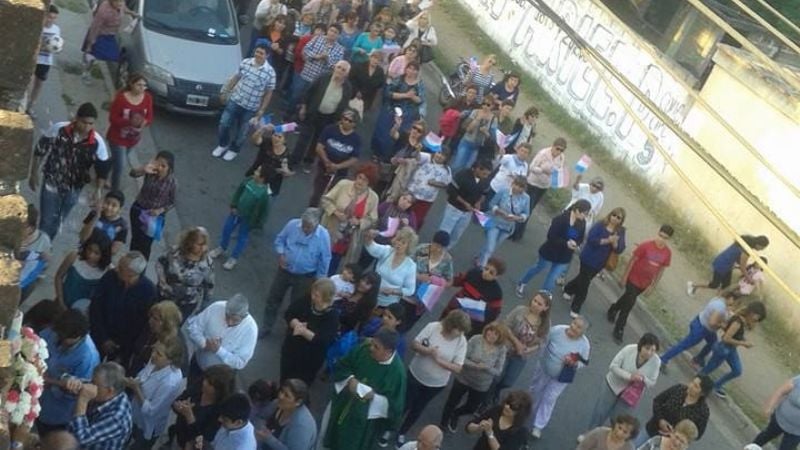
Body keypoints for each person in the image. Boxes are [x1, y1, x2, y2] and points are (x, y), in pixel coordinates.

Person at [29, 102, 110, 240]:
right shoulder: (59, 129)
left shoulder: (97, 142)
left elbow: (103, 168)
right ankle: (39, 250)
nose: (87, 127)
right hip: (52, 182)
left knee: (59, 220)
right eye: (84, 122)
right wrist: (33, 173)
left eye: (91, 124)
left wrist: (98, 190)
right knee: (47, 220)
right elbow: (40, 149)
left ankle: (46, 244)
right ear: (76, 118)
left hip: (74, 188)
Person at [322, 329, 407, 450]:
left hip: (364, 422)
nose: (371, 348)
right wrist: (350, 379)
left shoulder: (397, 374)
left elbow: (395, 407)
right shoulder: (364, 349)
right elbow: (343, 364)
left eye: (376, 347)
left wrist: (374, 397)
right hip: (341, 402)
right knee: (326, 436)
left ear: (388, 351)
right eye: (372, 342)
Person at [395, 311, 469, 446]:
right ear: (450, 325)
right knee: (404, 403)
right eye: (458, 329)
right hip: (416, 374)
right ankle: (390, 428)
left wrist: (438, 360)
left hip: (436, 384)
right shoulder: (433, 327)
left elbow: (458, 367)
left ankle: (402, 432)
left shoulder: (461, 341)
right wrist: (428, 351)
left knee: (417, 408)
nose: (460, 333)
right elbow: (415, 344)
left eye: (462, 330)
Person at [262, 208, 332, 337]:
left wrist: (320, 280)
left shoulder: (323, 236)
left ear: (317, 224)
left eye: (308, 227)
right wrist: (281, 253)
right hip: (285, 270)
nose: (305, 229)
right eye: (304, 225)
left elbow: (325, 259)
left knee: (297, 305)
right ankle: (266, 326)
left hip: (305, 277)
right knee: (273, 298)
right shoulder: (292, 225)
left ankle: (291, 331)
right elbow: (280, 240)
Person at [37, 310, 101, 436]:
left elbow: (79, 391)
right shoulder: (55, 332)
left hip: (58, 414)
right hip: (39, 401)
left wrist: (50, 381)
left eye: (64, 338)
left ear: (78, 336)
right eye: (58, 334)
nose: (59, 338)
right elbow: (38, 342)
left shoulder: (87, 357)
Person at [607, 225, 674, 343]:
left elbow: (661, 271)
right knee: (629, 304)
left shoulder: (667, 253)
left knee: (627, 299)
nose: (661, 239)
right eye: (660, 236)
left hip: (644, 284)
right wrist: (624, 277)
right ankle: (619, 329)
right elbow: (632, 260)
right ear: (658, 233)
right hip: (633, 279)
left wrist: (652, 286)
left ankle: (614, 308)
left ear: (669, 239)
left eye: (665, 238)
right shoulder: (646, 246)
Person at [529, 316, 591, 439]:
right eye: (574, 323)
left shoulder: (585, 345)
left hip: (562, 376)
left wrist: (574, 363)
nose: (574, 327)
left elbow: (584, 362)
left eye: (579, 327)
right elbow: (544, 343)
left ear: (583, 332)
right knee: (535, 390)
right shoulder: (557, 330)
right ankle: (527, 412)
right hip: (544, 368)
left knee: (549, 398)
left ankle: (538, 425)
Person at [585, 334, 661, 435]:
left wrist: (643, 379)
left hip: (631, 395)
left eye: (653, 350)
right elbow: (613, 366)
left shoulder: (656, 361)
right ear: (641, 345)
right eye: (647, 348)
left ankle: (610, 440)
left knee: (619, 419)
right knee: (600, 412)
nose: (649, 353)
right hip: (613, 385)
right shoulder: (629, 349)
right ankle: (589, 434)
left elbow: (652, 382)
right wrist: (629, 376)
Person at [89, 251, 156, 363]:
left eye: (120, 268)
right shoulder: (110, 277)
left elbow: (142, 326)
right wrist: (104, 338)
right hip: (99, 335)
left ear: (131, 274)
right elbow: (96, 306)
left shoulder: (149, 291)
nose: (116, 269)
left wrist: (124, 349)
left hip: (125, 345)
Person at [213, 44, 276, 161]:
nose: (258, 55)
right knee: (223, 124)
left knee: (242, 132)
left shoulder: (270, 73)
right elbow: (236, 78)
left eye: (261, 53)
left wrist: (262, 109)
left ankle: (234, 149)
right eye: (257, 52)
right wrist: (225, 91)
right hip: (235, 100)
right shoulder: (246, 62)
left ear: (267, 55)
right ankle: (223, 144)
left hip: (251, 107)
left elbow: (269, 93)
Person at [441, 322, 507, 432]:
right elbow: (462, 358)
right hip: (463, 377)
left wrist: (486, 368)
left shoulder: (501, 349)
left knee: (471, 408)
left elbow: (498, 371)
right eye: (490, 330)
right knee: (452, 401)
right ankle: (443, 423)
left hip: (481, 384)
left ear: (500, 338)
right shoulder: (476, 339)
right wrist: (475, 365)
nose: (491, 335)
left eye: (496, 334)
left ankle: (456, 414)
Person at [515, 199, 590, 295]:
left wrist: (576, 243)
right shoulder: (561, 219)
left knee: (553, 277)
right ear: (577, 210)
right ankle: (522, 282)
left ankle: (543, 296)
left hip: (565, 255)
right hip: (550, 251)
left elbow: (580, 237)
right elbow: (551, 236)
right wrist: (566, 243)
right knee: (538, 268)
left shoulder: (582, 223)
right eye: (585, 213)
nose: (585, 216)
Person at [659, 290, 743, 373]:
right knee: (683, 345)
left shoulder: (718, 299)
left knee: (712, 343)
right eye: (735, 303)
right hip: (703, 329)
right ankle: (663, 359)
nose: (734, 306)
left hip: (700, 321)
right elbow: (712, 323)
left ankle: (698, 359)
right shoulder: (721, 308)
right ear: (731, 298)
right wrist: (721, 325)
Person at [291, 61, 354, 170]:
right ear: (334, 67)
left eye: (343, 70)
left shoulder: (348, 88)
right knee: (303, 138)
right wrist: (304, 107)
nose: (340, 71)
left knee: (318, 141)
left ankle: (308, 161)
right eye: (338, 67)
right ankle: (294, 161)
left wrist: (339, 120)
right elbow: (309, 91)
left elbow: (344, 104)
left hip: (329, 118)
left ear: (347, 74)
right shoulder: (323, 77)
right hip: (313, 112)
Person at [563, 208, 627, 316]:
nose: (615, 218)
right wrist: (607, 240)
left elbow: (620, 249)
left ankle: (569, 288)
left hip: (600, 262)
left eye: (618, 217)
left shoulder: (620, 231)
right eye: (614, 215)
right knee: (585, 284)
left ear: (621, 220)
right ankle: (576, 306)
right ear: (610, 214)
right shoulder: (601, 224)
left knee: (583, 278)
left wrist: (615, 243)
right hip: (588, 257)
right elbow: (591, 239)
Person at [208, 164, 271, 271]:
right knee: (227, 229)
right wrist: (233, 205)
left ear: (262, 177)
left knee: (242, 238)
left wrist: (256, 223)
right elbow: (238, 192)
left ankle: (233, 258)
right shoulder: (248, 181)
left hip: (248, 219)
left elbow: (263, 212)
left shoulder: (264, 194)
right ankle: (222, 247)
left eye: (258, 171)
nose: (255, 172)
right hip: (235, 212)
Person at [491, 290, 551, 402]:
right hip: (506, 348)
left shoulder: (545, 323)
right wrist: (516, 343)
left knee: (508, 381)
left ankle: (497, 390)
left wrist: (529, 349)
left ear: (545, 308)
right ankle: (487, 397)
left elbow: (542, 342)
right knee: (496, 375)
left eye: (539, 304)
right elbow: (505, 325)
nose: (535, 304)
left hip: (521, 355)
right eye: (534, 301)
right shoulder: (520, 310)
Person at [699, 300, 766, 397]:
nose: (756, 320)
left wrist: (742, 339)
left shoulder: (743, 322)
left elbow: (732, 332)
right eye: (757, 318)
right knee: (709, 369)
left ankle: (716, 385)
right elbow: (726, 338)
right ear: (752, 313)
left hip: (731, 349)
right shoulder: (738, 322)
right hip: (723, 348)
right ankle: (697, 384)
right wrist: (743, 343)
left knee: (737, 370)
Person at [320, 163, 379, 274]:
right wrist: (335, 212)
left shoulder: (373, 197)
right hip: (331, 228)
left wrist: (359, 222)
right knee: (321, 257)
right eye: (359, 177)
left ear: (370, 183)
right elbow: (325, 200)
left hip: (348, 237)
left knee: (333, 263)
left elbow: (372, 219)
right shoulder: (343, 185)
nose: (360, 181)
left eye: (365, 180)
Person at [125, 340, 184, 450]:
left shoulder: (169, 382)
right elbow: (142, 376)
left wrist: (136, 389)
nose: (153, 355)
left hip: (147, 425)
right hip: (134, 413)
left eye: (159, 354)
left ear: (170, 360)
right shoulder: (155, 362)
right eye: (154, 350)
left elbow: (151, 411)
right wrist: (134, 382)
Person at [186, 294, 258, 382]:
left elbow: (240, 362)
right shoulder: (216, 307)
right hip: (197, 365)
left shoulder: (250, 330)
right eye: (227, 316)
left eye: (235, 320)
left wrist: (219, 351)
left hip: (219, 380)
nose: (229, 322)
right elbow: (194, 327)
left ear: (244, 316)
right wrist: (203, 343)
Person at [281, 278, 340, 385]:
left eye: (317, 296)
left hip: (309, 360)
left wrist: (303, 331)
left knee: (299, 386)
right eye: (313, 293)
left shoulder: (332, 316)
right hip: (290, 350)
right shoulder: (307, 300)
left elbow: (323, 340)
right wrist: (296, 324)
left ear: (326, 298)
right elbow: (289, 313)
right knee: (284, 379)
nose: (313, 297)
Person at [511, 138, 566, 242]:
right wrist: (542, 170)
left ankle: (517, 230)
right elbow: (531, 167)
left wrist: (556, 174)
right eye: (557, 149)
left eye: (561, 150)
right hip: (533, 183)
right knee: (526, 207)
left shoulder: (561, 157)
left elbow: (559, 169)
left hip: (544, 186)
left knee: (530, 209)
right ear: (553, 146)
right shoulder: (543, 154)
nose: (558, 152)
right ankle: (515, 232)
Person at [68, 362, 133, 449]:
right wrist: (72, 382)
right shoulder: (108, 390)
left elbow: (81, 438)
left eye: (94, 384)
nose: (91, 386)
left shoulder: (117, 418)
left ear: (110, 391)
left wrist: (82, 400)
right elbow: (73, 380)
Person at [106, 73, 154, 191]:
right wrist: (128, 122)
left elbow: (149, 116)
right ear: (131, 84)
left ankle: (101, 169)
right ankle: (114, 190)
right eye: (139, 85)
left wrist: (144, 122)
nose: (142, 88)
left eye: (144, 86)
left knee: (116, 160)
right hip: (117, 138)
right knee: (120, 165)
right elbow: (112, 118)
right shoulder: (122, 98)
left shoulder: (147, 98)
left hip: (133, 139)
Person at [399, 231, 454, 331]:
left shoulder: (447, 260)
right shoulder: (421, 249)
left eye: (442, 248)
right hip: (406, 293)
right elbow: (404, 265)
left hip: (423, 300)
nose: (438, 249)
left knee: (406, 326)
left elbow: (449, 281)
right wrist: (419, 276)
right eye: (436, 245)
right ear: (432, 242)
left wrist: (437, 282)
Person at [171, 365, 236, 449]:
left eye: (210, 384)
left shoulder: (219, 411)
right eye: (206, 379)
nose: (204, 383)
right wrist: (178, 406)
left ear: (220, 390)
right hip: (178, 434)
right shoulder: (198, 387)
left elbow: (204, 439)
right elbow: (179, 399)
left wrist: (189, 416)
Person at [156, 226, 215, 318]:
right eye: (200, 244)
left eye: (205, 245)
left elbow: (209, 285)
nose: (203, 248)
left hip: (185, 305)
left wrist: (204, 305)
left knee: (172, 328)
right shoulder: (174, 252)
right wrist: (162, 280)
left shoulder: (207, 263)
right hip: (164, 296)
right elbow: (160, 263)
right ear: (190, 243)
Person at [309, 108, 364, 207]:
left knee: (332, 195)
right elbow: (319, 147)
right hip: (323, 167)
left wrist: (338, 166)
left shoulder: (356, 139)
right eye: (344, 118)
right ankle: (310, 211)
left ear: (354, 124)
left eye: (350, 121)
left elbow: (354, 159)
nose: (346, 122)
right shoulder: (330, 129)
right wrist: (326, 161)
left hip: (340, 172)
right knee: (317, 193)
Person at [128, 151, 177, 260]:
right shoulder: (150, 171)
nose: (159, 168)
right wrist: (143, 169)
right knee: (135, 239)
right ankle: (130, 262)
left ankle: (141, 268)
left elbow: (172, 201)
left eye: (163, 166)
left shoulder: (171, 182)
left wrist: (160, 210)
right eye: (157, 163)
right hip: (139, 209)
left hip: (153, 217)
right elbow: (132, 173)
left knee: (145, 244)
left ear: (169, 168)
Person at [371, 63, 425, 161]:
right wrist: (406, 95)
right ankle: (376, 153)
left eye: (414, 69)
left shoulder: (419, 84)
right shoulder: (399, 79)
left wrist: (412, 97)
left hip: (406, 115)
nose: (411, 71)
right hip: (391, 110)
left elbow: (420, 100)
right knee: (382, 133)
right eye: (410, 68)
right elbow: (388, 93)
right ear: (406, 69)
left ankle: (388, 157)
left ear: (417, 72)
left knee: (398, 137)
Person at [440, 258, 505, 335]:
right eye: (486, 268)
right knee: (440, 328)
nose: (486, 273)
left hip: (467, 321)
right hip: (452, 309)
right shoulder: (474, 273)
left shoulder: (496, 293)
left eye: (491, 273)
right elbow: (459, 280)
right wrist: (444, 282)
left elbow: (492, 315)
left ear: (496, 276)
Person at [688, 235, 769, 296]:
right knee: (714, 285)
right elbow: (742, 267)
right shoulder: (747, 249)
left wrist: (741, 265)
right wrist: (749, 279)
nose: (761, 250)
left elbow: (738, 258)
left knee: (726, 287)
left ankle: (717, 300)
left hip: (725, 263)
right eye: (763, 248)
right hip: (723, 265)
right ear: (759, 244)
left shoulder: (744, 241)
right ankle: (693, 285)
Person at [638, 377, 711, 445]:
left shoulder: (703, 411)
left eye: (696, 386)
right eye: (692, 382)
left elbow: (697, 434)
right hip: (652, 428)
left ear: (702, 393)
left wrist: (676, 432)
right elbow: (657, 401)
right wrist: (660, 420)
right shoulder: (678, 389)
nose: (691, 386)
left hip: (671, 443)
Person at [437, 159, 493, 249]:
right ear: (478, 169)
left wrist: (479, 202)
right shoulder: (462, 174)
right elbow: (451, 190)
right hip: (454, 208)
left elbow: (484, 193)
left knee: (456, 235)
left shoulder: (485, 181)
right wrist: (465, 203)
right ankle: (435, 250)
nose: (486, 177)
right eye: (484, 174)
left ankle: (444, 251)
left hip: (468, 213)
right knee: (444, 232)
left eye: (487, 174)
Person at [477, 176, 530, 268]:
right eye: (516, 185)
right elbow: (491, 204)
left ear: (524, 188)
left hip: (508, 226)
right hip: (495, 221)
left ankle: (480, 257)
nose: (517, 188)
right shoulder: (504, 191)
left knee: (494, 246)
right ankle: (482, 267)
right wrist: (500, 212)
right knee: (490, 246)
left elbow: (526, 213)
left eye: (521, 187)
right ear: (512, 183)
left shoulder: (526, 198)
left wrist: (517, 218)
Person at [53, 229, 112, 310]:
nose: (91, 255)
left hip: (82, 312)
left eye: (96, 253)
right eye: (89, 249)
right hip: (61, 303)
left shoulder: (107, 270)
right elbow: (59, 277)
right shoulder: (74, 257)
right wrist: (61, 302)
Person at [80, 0, 136, 83]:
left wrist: (132, 13)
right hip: (99, 35)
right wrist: (91, 43)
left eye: (121, 2)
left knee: (113, 55)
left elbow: (124, 8)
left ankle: (88, 57)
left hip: (110, 35)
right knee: (92, 55)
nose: (120, 4)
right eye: (118, 2)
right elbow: (95, 27)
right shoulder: (104, 11)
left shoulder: (121, 4)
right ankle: (86, 72)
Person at [254, 379, 318, 450]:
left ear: (298, 402)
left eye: (286, 395)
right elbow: (261, 417)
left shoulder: (302, 425)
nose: (280, 396)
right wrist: (262, 428)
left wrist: (269, 439)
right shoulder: (278, 404)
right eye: (282, 391)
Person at [291, 25, 346, 107]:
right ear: (328, 30)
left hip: (319, 82)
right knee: (295, 96)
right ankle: (286, 117)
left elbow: (336, 67)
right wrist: (317, 56)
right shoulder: (317, 39)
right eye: (331, 30)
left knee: (309, 102)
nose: (332, 33)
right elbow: (305, 51)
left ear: (338, 35)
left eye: (335, 32)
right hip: (305, 75)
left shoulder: (340, 49)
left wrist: (327, 59)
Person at [364, 228, 418, 308]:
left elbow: (410, 290)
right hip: (371, 295)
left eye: (403, 243)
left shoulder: (411, 266)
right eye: (398, 240)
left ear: (409, 246)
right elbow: (371, 247)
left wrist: (393, 291)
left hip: (388, 304)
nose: (399, 244)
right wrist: (369, 237)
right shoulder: (387, 250)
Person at [127, 300, 183, 375]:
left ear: (167, 323)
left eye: (155, 319)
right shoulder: (150, 329)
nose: (150, 321)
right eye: (151, 317)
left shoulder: (174, 342)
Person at [465, 390, 532, 450]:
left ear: (520, 412)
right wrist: (478, 427)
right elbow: (468, 427)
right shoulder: (497, 410)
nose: (507, 407)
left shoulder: (521, 432)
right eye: (507, 402)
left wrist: (490, 434)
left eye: (513, 407)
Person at [26, 4, 60, 116]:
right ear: (45, 16)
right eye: (50, 17)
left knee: (39, 84)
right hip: (34, 59)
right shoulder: (39, 27)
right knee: (29, 82)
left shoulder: (56, 29)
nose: (51, 20)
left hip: (46, 61)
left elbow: (57, 45)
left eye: (54, 18)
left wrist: (56, 49)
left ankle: (31, 105)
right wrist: (42, 46)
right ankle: (23, 103)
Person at [405, 150, 452, 229]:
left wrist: (435, 183)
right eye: (439, 153)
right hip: (411, 193)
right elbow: (415, 155)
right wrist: (417, 148)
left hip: (426, 199)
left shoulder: (446, 169)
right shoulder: (427, 158)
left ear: (446, 158)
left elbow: (446, 184)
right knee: (404, 213)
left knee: (416, 218)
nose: (439, 156)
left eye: (443, 155)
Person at [751, 375, 800, 450]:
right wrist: (769, 407)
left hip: (797, 431)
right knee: (765, 436)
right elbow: (780, 391)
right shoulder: (798, 380)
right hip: (779, 420)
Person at [450, 98, 495, 172]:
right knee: (457, 165)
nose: (485, 106)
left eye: (488, 105)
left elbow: (492, 137)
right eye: (483, 103)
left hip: (478, 146)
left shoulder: (493, 118)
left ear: (492, 106)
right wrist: (477, 119)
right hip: (467, 142)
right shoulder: (475, 112)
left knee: (467, 168)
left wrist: (486, 132)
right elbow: (467, 128)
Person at [79, 190, 127, 255]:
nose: (109, 207)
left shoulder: (122, 226)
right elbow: (83, 237)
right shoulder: (94, 213)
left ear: (119, 208)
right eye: (107, 203)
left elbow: (113, 251)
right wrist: (96, 217)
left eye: (114, 206)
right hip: (83, 252)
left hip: (101, 259)